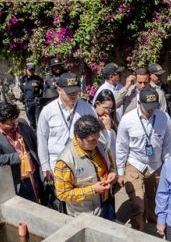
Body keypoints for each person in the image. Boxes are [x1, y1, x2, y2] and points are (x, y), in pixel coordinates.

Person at [37, 71, 97, 210]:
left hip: (81, 162)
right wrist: (45, 167)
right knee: (61, 199)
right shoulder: (47, 111)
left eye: (75, 91)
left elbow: (96, 137)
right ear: (58, 89)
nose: (73, 95)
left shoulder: (87, 108)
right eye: (69, 92)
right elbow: (42, 140)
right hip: (57, 164)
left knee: (81, 198)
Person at [116, 87, 171, 231]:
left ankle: (153, 227)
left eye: (153, 108)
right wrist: (121, 172)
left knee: (153, 200)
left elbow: (168, 145)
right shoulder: (127, 120)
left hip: (156, 165)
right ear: (139, 103)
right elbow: (121, 147)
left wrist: (166, 168)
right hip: (135, 163)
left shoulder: (164, 118)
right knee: (138, 203)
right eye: (147, 108)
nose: (150, 111)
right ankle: (137, 231)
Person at [54, 115, 118, 217]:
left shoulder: (100, 141)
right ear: (78, 138)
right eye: (91, 140)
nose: (96, 143)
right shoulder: (65, 161)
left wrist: (113, 172)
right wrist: (93, 190)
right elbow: (62, 194)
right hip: (84, 214)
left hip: (107, 203)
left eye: (97, 138)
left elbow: (111, 161)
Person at [0, 103, 42, 201]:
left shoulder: (22, 124)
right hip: (19, 181)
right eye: (10, 124)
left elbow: (35, 143)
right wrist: (19, 157)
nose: (15, 125)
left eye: (16, 121)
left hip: (35, 174)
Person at [93, 89, 118, 158]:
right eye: (105, 108)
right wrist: (106, 129)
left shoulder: (112, 120)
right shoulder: (91, 121)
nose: (107, 112)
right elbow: (105, 149)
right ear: (97, 104)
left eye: (110, 109)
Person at [19, 62, 44, 130]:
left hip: (37, 103)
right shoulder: (22, 79)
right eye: (30, 70)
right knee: (31, 122)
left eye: (33, 70)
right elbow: (23, 90)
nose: (31, 71)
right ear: (26, 70)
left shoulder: (38, 79)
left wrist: (40, 97)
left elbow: (44, 89)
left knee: (40, 120)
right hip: (28, 103)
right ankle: (34, 136)